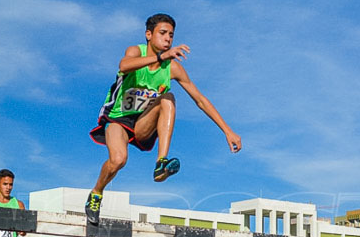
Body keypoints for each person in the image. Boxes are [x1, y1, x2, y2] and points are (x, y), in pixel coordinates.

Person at [84, 13, 242, 225]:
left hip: (144, 122)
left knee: (168, 98)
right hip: (118, 119)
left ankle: (161, 162)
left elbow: (200, 100)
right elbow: (124, 66)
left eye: (171, 35)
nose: (168, 39)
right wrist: (160, 57)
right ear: (149, 35)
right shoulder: (135, 51)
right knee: (118, 160)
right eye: (163, 33)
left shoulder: (173, 68)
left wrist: (227, 130)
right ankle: (96, 193)